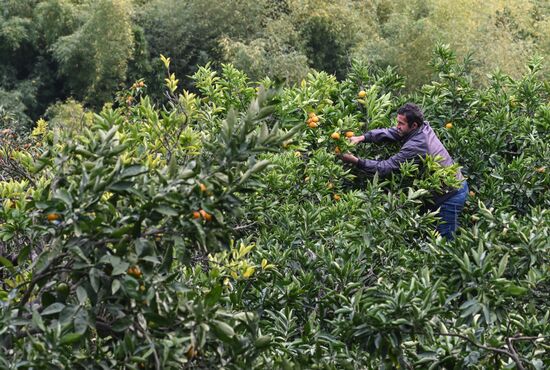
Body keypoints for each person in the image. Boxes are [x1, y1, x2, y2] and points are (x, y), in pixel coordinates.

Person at [340, 102, 468, 239]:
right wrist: (361, 138)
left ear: (413, 125)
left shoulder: (418, 145)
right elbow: (392, 132)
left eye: (401, 123)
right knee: (428, 234)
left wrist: (356, 161)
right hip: (444, 189)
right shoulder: (420, 128)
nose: (397, 126)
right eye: (397, 122)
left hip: (450, 195)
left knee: (444, 241)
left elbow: (386, 167)